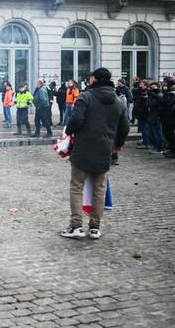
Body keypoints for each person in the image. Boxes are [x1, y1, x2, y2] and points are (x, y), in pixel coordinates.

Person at [60, 68, 129, 240]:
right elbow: (125, 127)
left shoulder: (86, 96)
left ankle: (76, 226)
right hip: (104, 149)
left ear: (94, 79)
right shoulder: (119, 101)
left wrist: (68, 131)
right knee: (100, 189)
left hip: (83, 148)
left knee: (77, 186)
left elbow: (75, 120)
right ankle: (95, 228)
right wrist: (117, 144)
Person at [146, 81, 164, 154]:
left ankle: (159, 148)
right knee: (153, 133)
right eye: (151, 88)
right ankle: (155, 146)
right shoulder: (152, 95)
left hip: (157, 117)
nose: (152, 89)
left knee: (158, 133)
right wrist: (150, 96)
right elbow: (148, 104)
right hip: (152, 116)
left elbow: (154, 103)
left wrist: (153, 96)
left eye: (154, 87)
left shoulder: (159, 94)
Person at [133, 80, 151, 149]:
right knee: (143, 129)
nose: (140, 85)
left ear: (146, 85)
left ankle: (146, 143)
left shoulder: (147, 92)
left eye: (142, 84)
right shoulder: (139, 91)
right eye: (140, 84)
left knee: (145, 129)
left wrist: (140, 111)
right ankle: (145, 141)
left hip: (144, 113)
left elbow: (145, 104)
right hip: (140, 113)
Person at [161, 77, 175, 158]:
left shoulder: (171, 93)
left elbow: (167, 103)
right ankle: (171, 148)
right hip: (166, 116)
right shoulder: (167, 92)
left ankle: (173, 150)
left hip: (170, 117)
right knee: (167, 133)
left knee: (170, 134)